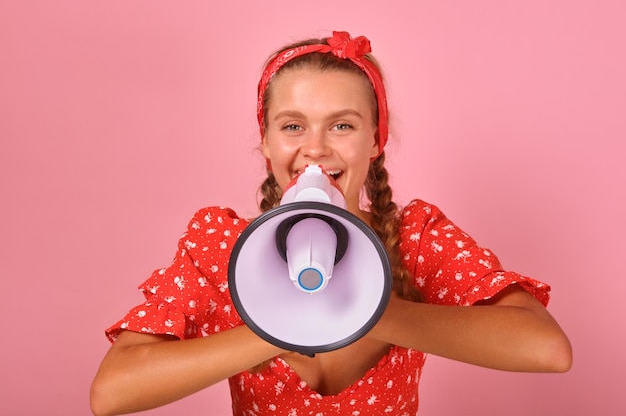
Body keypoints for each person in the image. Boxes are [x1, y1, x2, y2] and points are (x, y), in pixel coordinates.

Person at [90, 31, 572, 416]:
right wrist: (281, 324)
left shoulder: (417, 240)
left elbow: (546, 349)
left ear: (375, 141)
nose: (315, 148)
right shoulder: (220, 248)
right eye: (292, 126)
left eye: (342, 125)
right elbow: (112, 392)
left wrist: (363, 312)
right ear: (266, 140)